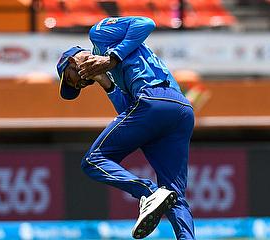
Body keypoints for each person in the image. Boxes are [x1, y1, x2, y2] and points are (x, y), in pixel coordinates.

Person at [56, 16, 195, 239]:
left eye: (71, 79)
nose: (80, 83)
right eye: (78, 86)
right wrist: (107, 83)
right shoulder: (109, 70)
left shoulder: (98, 35)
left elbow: (146, 23)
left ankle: (149, 193)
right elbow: (129, 110)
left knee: (93, 160)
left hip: (155, 101)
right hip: (180, 110)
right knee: (174, 195)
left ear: (71, 61)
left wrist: (111, 58)